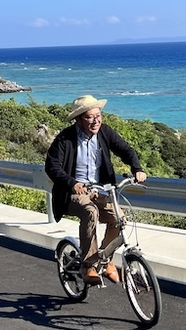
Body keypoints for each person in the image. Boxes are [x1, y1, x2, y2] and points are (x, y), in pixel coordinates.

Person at [45, 95, 147, 284]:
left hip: (101, 190)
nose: (96, 121)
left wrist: (137, 169)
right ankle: (88, 265)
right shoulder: (66, 138)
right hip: (74, 193)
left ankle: (106, 259)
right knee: (90, 211)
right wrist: (71, 182)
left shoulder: (104, 132)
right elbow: (52, 166)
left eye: (98, 116)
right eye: (90, 117)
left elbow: (126, 150)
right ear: (79, 119)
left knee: (119, 219)